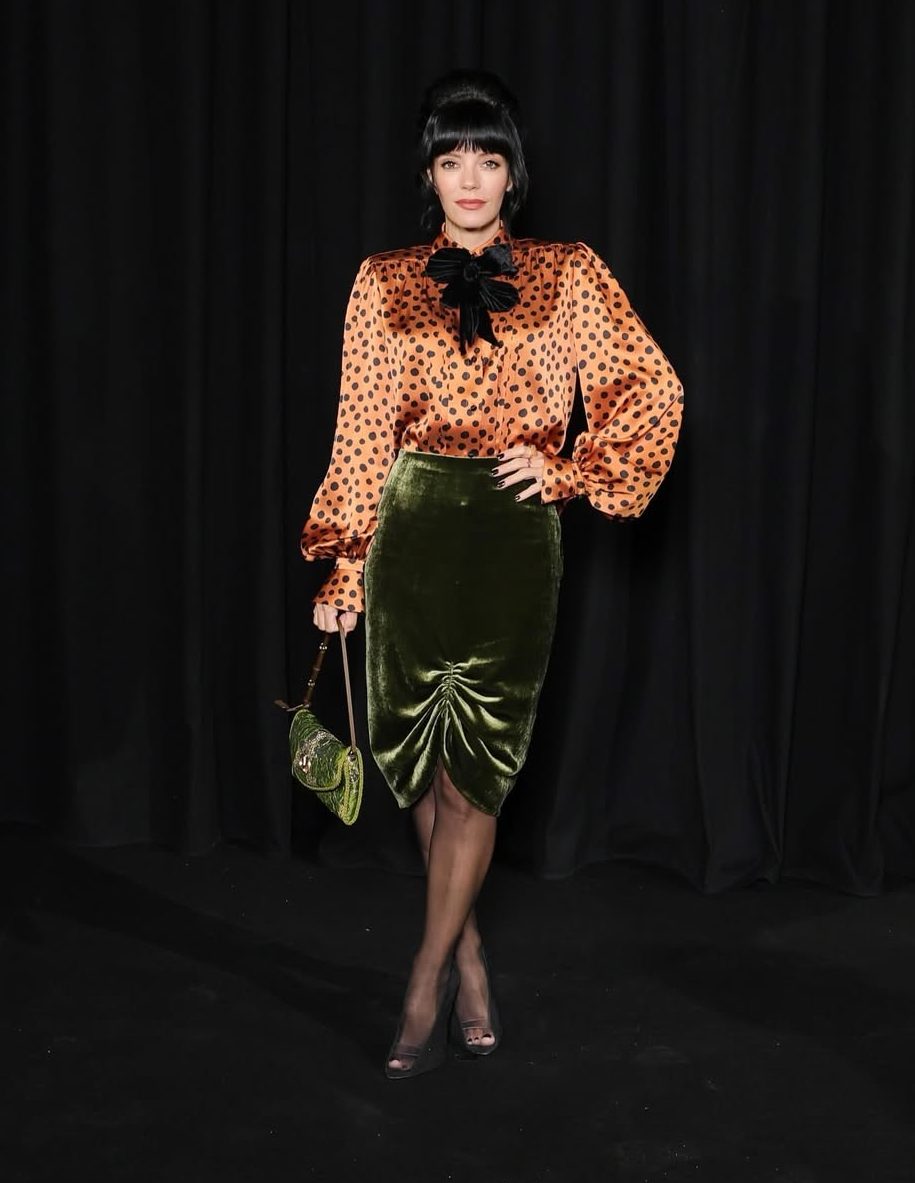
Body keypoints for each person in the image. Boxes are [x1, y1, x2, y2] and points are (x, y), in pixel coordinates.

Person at [300, 69, 684, 1079]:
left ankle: (423, 979)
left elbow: (651, 390)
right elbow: (360, 430)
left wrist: (567, 470)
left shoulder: (568, 272)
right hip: (412, 530)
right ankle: (468, 950)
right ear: (428, 173)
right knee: (417, 768)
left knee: (477, 771)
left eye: (488, 158)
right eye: (450, 159)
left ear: (514, 173)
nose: (470, 178)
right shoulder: (383, 279)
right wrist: (344, 564)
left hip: (513, 541)